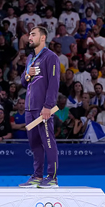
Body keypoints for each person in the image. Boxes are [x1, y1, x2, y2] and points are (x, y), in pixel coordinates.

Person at [19, 26, 60, 188]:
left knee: (48, 141)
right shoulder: (30, 58)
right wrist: (28, 73)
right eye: (29, 34)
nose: (29, 37)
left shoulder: (51, 57)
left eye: (33, 34)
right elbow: (23, 81)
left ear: (42, 38)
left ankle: (52, 177)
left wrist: (48, 106)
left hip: (43, 108)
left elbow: (54, 83)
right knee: (34, 143)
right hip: (29, 108)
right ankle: (37, 176)